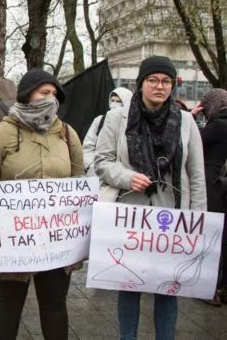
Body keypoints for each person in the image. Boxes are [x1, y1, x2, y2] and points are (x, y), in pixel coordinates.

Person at [94, 55, 206, 340]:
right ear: (141, 83)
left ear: (173, 85)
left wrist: (198, 221)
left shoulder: (186, 121)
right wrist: (126, 177)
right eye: (153, 80)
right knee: (129, 286)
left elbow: (196, 175)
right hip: (130, 217)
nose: (160, 86)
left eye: (166, 81)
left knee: (168, 289)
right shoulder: (117, 118)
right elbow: (102, 161)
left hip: (173, 221)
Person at [0, 69, 84, 340]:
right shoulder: (0, 135)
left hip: (57, 240)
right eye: (44, 93)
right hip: (14, 238)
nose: (50, 99)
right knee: (9, 303)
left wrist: (81, 237)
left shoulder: (67, 135)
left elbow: (80, 184)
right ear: (26, 95)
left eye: (54, 94)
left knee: (55, 304)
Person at [197, 88, 227, 306]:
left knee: (211, 236)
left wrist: (191, 117)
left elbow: (192, 141)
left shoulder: (217, 125)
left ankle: (210, 287)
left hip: (210, 183)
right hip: (222, 184)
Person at [83, 87, 132, 176]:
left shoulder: (133, 123)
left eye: (118, 101)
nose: (114, 104)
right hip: (100, 174)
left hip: (126, 176)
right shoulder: (99, 120)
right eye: (112, 100)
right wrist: (92, 166)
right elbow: (88, 146)